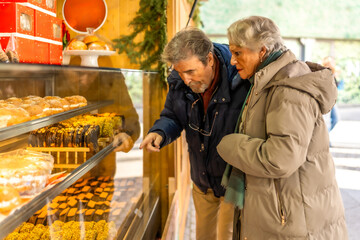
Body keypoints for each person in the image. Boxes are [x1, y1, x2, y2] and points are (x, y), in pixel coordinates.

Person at [216, 16, 348, 239]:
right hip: (285, 214)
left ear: (262, 51)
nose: (232, 61)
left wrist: (230, 144)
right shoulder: (264, 82)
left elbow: (280, 158)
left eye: (238, 53)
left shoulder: (288, 90)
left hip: (294, 221)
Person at [139, 27, 250, 240]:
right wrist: (160, 132)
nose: (186, 80)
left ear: (209, 59)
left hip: (233, 181)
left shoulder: (242, 77)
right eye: (180, 72)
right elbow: (172, 115)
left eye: (191, 72)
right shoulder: (180, 80)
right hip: (202, 180)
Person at [322, 56, 340, 131]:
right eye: (329, 63)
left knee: (336, 119)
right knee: (326, 121)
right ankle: (326, 137)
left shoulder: (333, 74)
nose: (331, 64)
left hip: (332, 100)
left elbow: (336, 86)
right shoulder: (323, 73)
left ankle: (326, 135)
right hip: (325, 99)